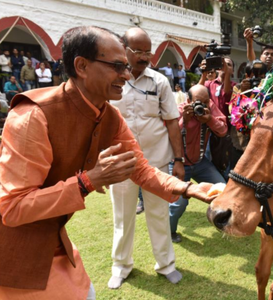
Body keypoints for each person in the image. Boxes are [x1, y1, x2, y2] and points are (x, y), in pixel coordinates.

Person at [0, 26, 215, 300]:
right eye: (117, 66)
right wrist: (89, 181)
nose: (126, 76)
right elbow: (14, 207)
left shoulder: (108, 115)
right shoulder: (32, 117)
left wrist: (187, 189)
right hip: (15, 256)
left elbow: (142, 170)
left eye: (126, 66)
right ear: (82, 66)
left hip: (54, 241)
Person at [108, 27, 186, 289]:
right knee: (123, 216)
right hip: (121, 161)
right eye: (138, 51)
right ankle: (121, 266)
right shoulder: (112, 79)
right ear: (125, 50)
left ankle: (166, 265)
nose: (144, 56)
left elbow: (173, 123)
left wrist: (178, 160)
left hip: (156, 160)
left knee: (158, 213)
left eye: (148, 51)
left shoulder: (159, 81)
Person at [169, 84, 227, 243]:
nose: (202, 105)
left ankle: (222, 221)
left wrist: (210, 119)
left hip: (201, 162)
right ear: (188, 101)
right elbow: (168, 135)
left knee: (223, 189)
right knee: (178, 204)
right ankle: (169, 232)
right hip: (178, 163)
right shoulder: (179, 110)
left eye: (206, 101)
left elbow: (223, 130)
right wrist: (184, 121)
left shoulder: (210, 107)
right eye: (197, 102)